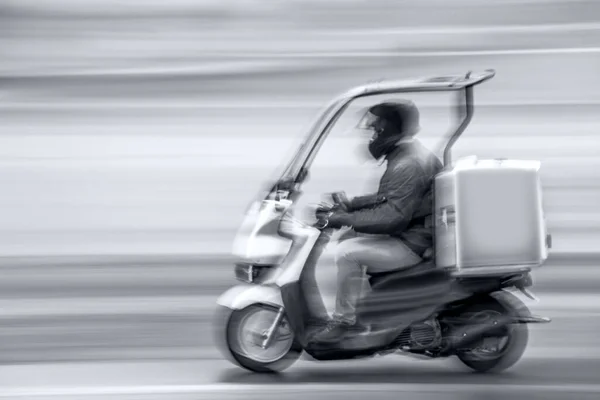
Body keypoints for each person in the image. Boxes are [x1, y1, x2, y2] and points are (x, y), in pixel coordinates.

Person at [311, 100, 443, 343]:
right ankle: (372, 311)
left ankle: (345, 322)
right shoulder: (406, 154)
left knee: (346, 253)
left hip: (412, 243)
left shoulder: (408, 164)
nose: (372, 137)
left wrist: (342, 218)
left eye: (376, 130)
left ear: (388, 130)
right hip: (412, 233)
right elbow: (391, 197)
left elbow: (392, 217)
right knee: (350, 239)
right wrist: (353, 204)